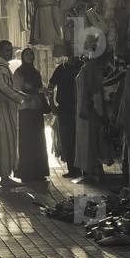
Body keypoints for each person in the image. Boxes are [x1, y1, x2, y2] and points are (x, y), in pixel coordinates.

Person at [0, 41, 27, 190]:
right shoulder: (0, 70)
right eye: (7, 50)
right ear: (0, 51)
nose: (10, 52)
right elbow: (4, 88)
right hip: (1, 111)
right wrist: (22, 98)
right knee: (4, 142)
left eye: (11, 50)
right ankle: (4, 177)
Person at [13, 48, 50, 183]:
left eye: (31, 54)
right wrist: (34, 91)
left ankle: (39, 171)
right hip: (26, 109)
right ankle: (27, 172)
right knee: (27, 141)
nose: (29, 56)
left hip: (36, 109)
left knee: (38, 140)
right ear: (23, 57)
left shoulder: (36, 72)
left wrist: (41, 93)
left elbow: (38, 89)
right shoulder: (19, 72)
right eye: (27, 54)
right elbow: (16, 90)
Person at [48, 46, 82, 177]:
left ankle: (81, 168)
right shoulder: (60, 69)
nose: (74, 56)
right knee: (67, 139)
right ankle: (72, 169)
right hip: (64, 109)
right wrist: (52, 105)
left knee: (79, 138)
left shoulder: (82, 67)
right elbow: (51, 87)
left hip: (80, 108)